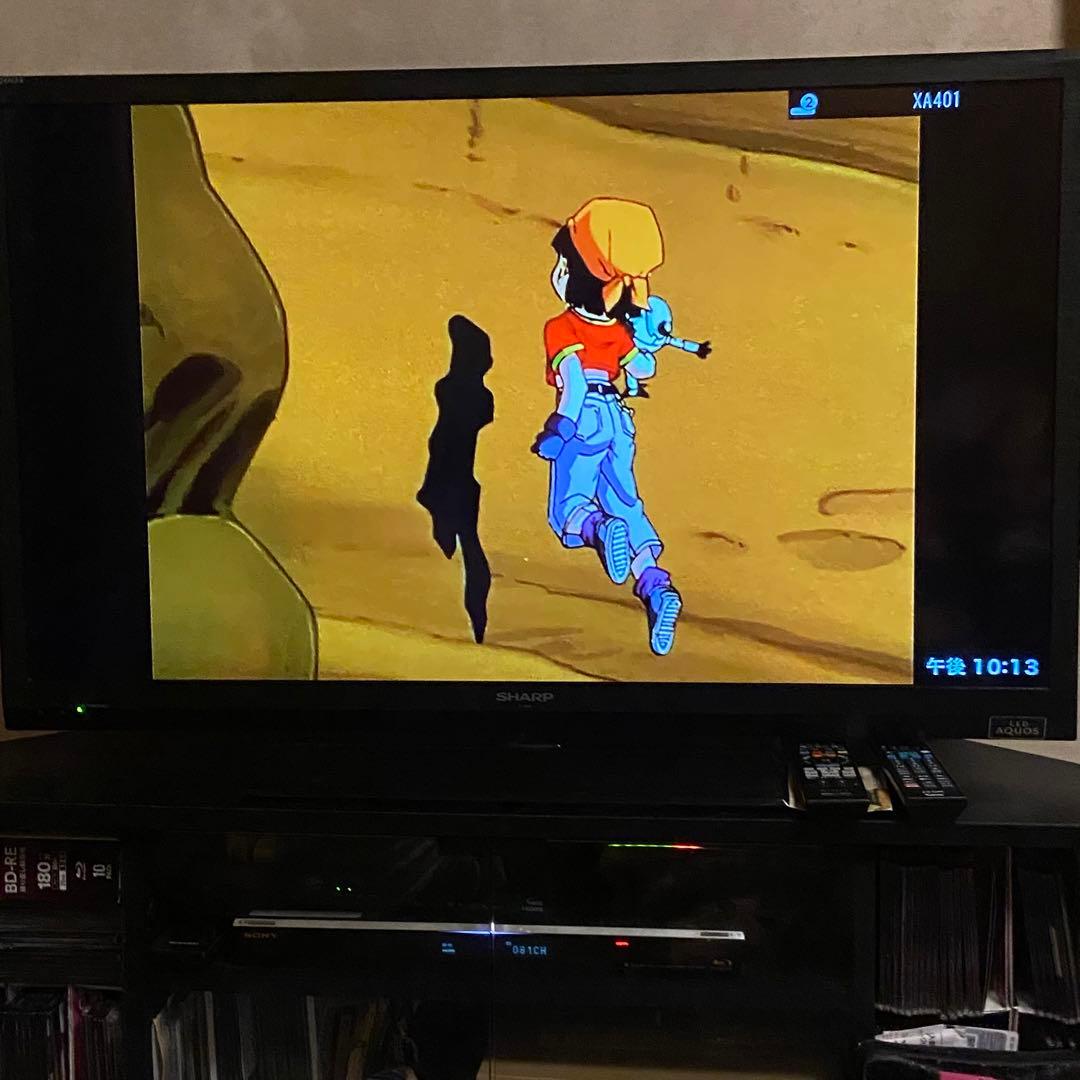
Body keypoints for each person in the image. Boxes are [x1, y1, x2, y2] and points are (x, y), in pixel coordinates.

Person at [531, 197, 682, 656]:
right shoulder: (618, 332)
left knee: (569, 508)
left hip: (586, 416)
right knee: (627, 502)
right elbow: (644, 369)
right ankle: (655, 584)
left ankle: (599, 530)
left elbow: (574, 382)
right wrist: (646, 337)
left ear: (574, 275)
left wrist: (560, 426)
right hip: (619, 420)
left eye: (563, 263)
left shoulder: (562, 327)